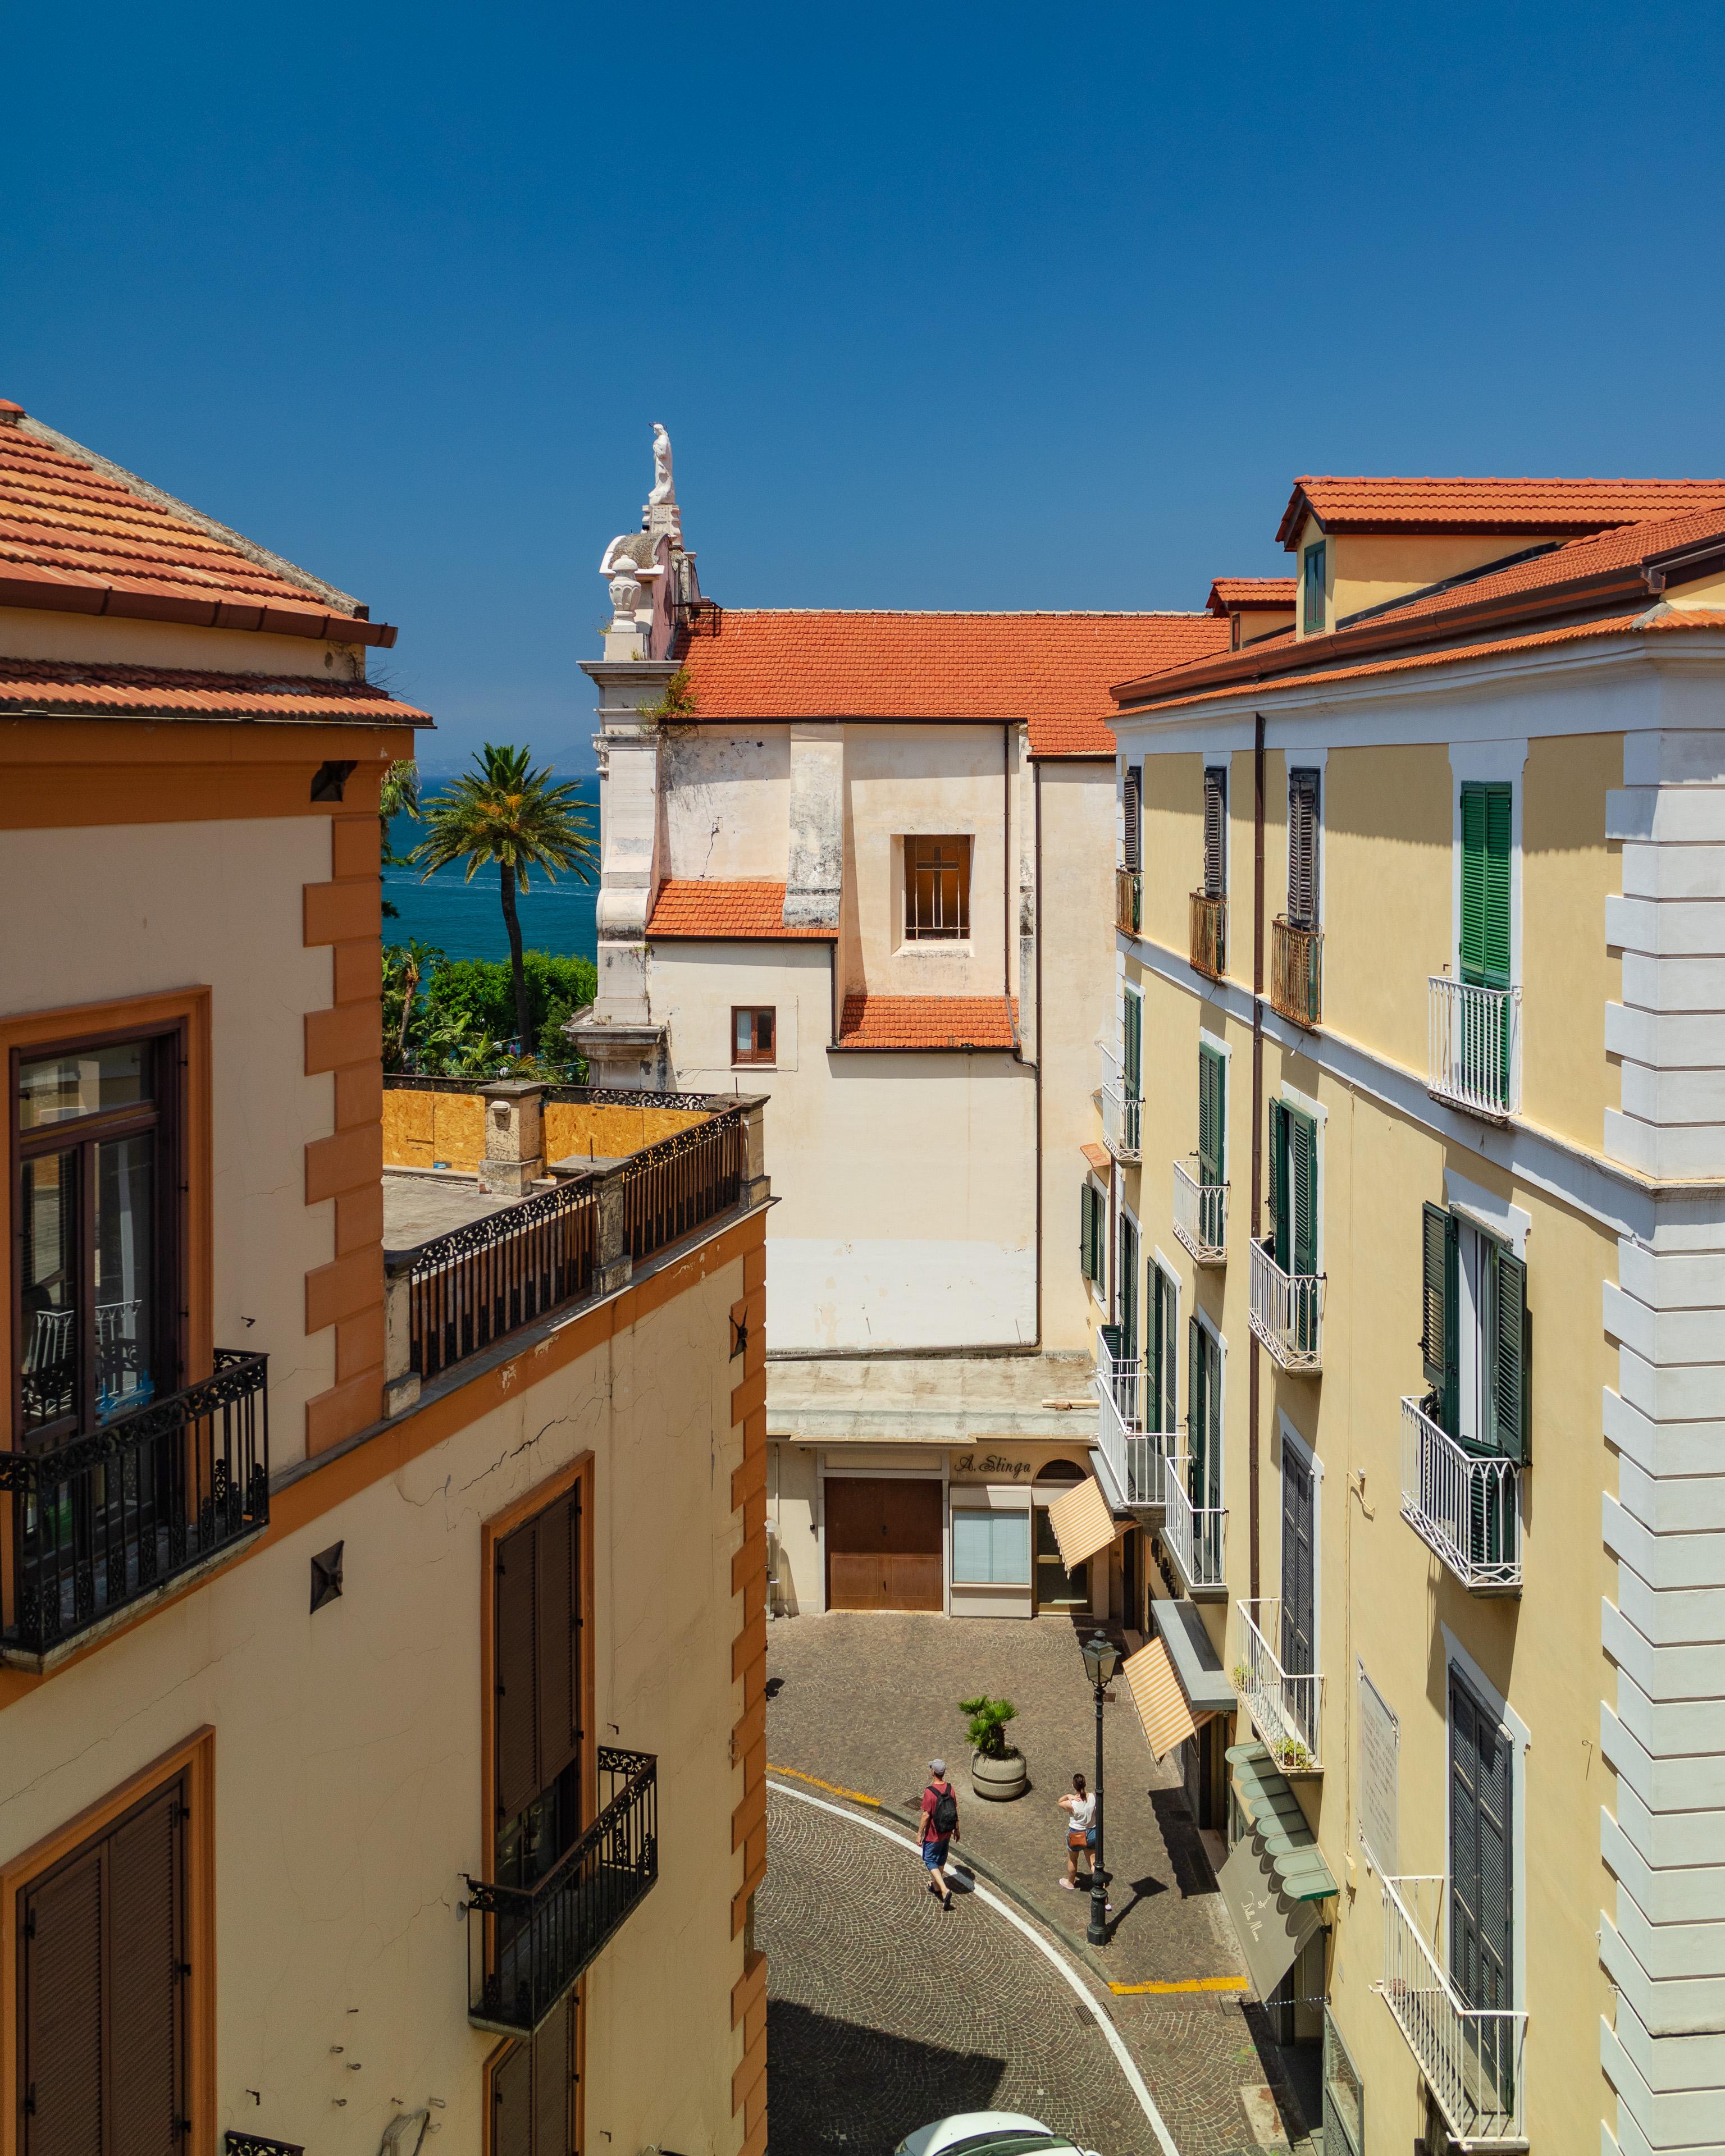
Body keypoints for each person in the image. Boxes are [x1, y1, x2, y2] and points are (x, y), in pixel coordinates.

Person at [920, 1757, 960, 1910]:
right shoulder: (950, 1789)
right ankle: (937, 1887)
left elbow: (926, 1815)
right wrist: (957, 1829)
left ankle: (944, 1889)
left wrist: (919, 1834)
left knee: (930, 1860)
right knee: (941, 1859)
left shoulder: (930, 1792)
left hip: (934, 1834)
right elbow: (955, 1810)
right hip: (947, 1833)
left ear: (933, 1772)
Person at [1057, 1771, 1097, 1891]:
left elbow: (1060, 1802)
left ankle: (1070, 1882)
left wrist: (1069, 1795)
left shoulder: (1073, 1804)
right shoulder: (1093, 1797)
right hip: (1091, 1832)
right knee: (1093, 1861)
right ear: (1085, 1784)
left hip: (1077, 1834)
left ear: (1074, 1786)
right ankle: (1100, 1885)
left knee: (1073, 1859)